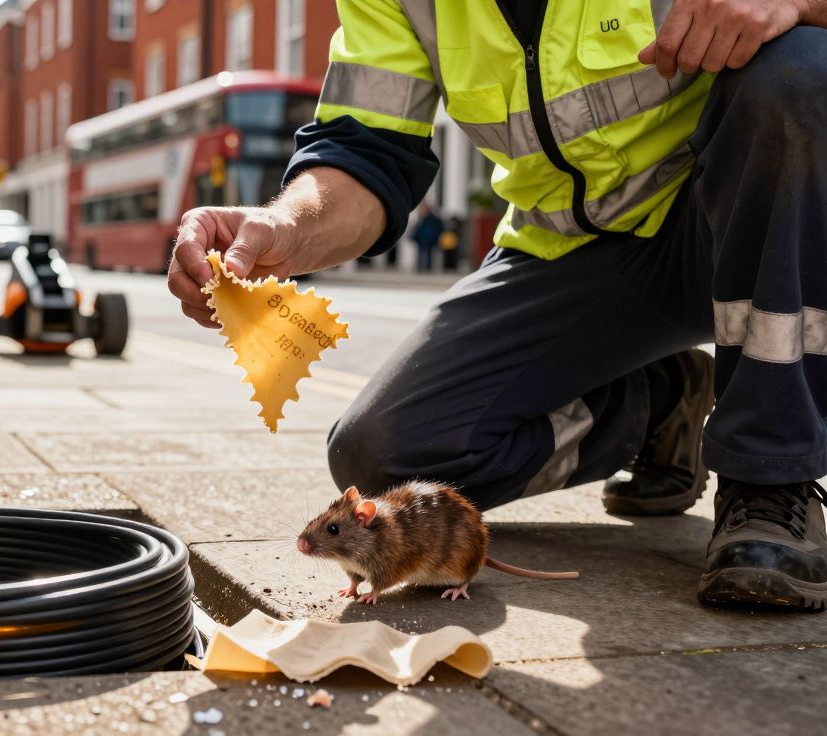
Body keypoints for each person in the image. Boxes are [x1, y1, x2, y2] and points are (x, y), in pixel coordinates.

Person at [168, 0, 827, 611]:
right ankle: (655, 405)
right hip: (570, 253)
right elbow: (366, 154)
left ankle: (770, 481)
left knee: (797, 72)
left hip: (742, 223)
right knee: (387, 457)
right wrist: (284, 227)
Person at [410, 203, 444, 272]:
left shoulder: (431, 219)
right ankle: (421, 267)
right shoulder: (423, 218)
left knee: (427, 254)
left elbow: (438, 229)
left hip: (428, 239)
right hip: (423, 239)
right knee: (422, 253)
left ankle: (426, 268)